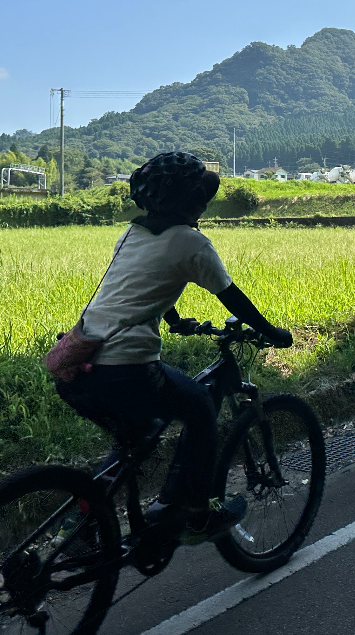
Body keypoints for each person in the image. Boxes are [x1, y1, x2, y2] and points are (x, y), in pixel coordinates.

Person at [56, 151, 293, 544]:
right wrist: (272, 332)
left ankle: (80, 526)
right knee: (200, 406)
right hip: (127, 366)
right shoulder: (191, 242)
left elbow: (143, 286)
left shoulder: (132, 233)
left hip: (80, 365)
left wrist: (174, 319)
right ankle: (195, 513)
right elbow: (231, 297)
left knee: (135, 439)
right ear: (193, 200)